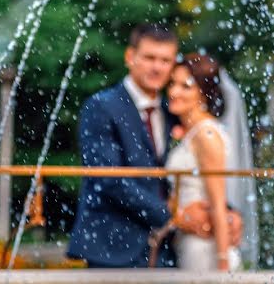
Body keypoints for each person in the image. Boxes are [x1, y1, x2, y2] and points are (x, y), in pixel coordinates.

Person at [67, 24, 241, 268]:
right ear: (130, 57)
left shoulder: (174, 112)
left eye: (165, 60)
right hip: (114, 246)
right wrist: (175, 217)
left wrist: (225, 213)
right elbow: (108, 179)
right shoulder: (101, 107)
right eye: (149, 58)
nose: (157, 67)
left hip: (167, 251)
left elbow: (200, 174)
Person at [165, 53, 242, 271]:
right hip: (187, 239)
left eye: (186, 86)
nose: (173, 92)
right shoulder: (189, 133)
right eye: (172, 83)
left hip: (204, 247)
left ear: (204, 93)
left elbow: (218, 203)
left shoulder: (206, 135)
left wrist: (222, 261)